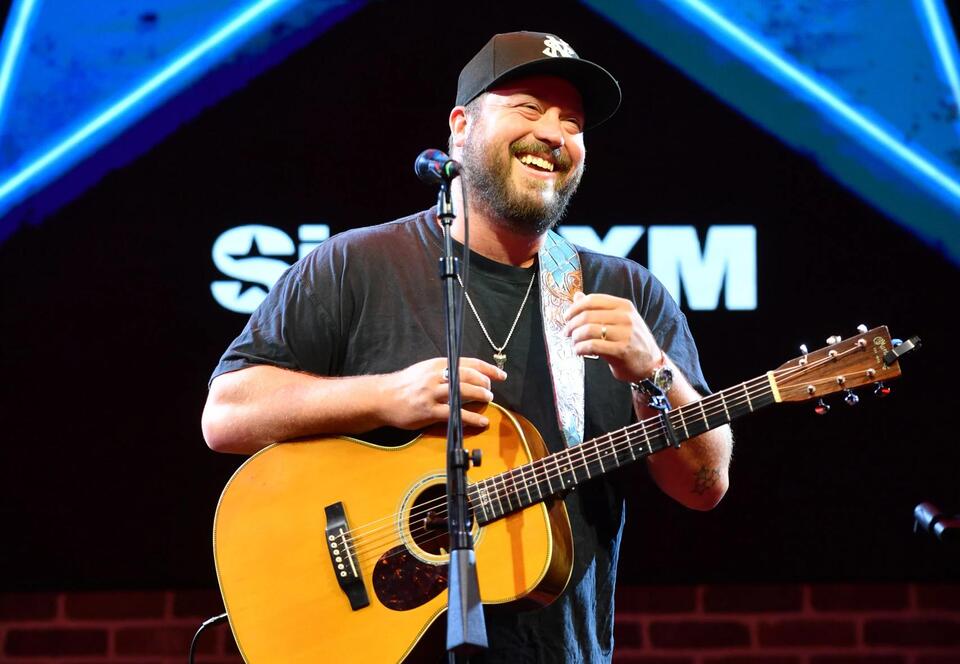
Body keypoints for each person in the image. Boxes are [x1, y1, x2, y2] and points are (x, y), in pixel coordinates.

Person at [203, 31, 733, 663]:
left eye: (572, 122)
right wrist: (386, 397)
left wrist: (655, 372)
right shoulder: (354, 265)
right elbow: (226, 415)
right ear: (460, 128)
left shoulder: (625, 292)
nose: (553, 134)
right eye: (529, 108)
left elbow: (704, 484)